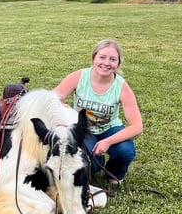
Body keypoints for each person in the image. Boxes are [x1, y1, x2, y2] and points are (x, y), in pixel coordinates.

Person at [53, 39, 143, 186]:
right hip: (83, 128)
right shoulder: (79, 77)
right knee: (91, 164)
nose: (106, 63)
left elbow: (137, 126)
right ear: (93, 57)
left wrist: (108, 141)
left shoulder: (121, 86)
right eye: (102, 57)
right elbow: (52, 99)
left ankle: (114, 173)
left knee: (125, 151)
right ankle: (96, 165)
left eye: (113, 59)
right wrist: (64, 107)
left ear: (118, 63)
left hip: (110, 128)